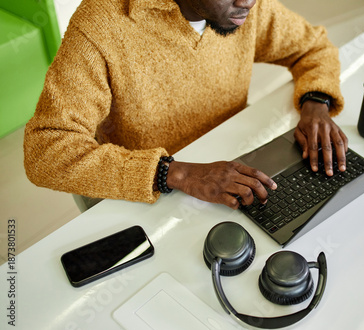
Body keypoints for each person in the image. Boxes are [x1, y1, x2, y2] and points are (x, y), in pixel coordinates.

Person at [24, 0, 347, 210]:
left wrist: (316, 102)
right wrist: (174, 173)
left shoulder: (247, 7)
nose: (248, 2)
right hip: (149, 191)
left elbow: (314, 46)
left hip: (231, 164)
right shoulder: (103, 24)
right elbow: (46, 151)